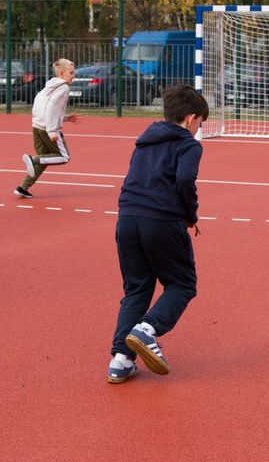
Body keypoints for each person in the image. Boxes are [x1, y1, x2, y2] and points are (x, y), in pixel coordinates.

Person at [107, 84, 208, 384]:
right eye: (200, 124)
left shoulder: (144, 141)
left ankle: (120, 360)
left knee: (137, 289)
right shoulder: (189, 145)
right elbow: (185, 179)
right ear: (191, 119)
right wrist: (190, 215)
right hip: (161, 220)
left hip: (127, 219)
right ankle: (147, 329)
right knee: (182, 284)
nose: (198, 130)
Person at [15, 58, 82, 199]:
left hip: (37, 127)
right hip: (47, 128)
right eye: (71, 73)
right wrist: (51, 130)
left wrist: (66, 118)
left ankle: (23, 187)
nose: (73, 76)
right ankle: (32, 159)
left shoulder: (49, 86)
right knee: (64, 157)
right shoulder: (63, 87)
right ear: (62, 73)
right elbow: (51, 107)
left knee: (45, 159)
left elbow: (40, 104)